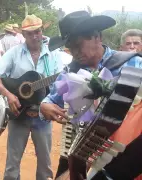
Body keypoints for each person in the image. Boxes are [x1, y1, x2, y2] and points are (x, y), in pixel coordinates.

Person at [39, 10, 142, 179]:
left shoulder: (133, 63)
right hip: (81, 153)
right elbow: (50, 99)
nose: (75, 52)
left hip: (125, 153)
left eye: (78, 45)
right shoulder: (69, 73)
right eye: (71, 48)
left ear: (97, 37)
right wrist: (44, 106)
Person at [0, 14, 64, 180]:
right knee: (12, 164)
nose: (34, 36)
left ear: (41, 31)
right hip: (19, 113)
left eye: (37, 32)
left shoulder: (53, 54)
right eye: (29, 33)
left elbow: (61, 81)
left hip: (42, 117)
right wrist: (8, 94)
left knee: (45, 164)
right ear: (23, 35)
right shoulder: (14, 53)